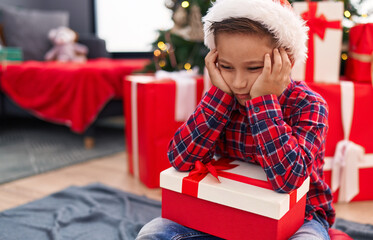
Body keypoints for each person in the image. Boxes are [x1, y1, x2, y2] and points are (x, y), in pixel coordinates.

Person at [136, 0, 335, 239]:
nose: (239, 82)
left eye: (253, 68)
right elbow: (180, 159)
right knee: (153, 234)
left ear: (287, 61)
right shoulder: (224, 96)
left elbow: (289, 180)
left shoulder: (309, 104)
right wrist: (219, 96)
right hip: (228, 210)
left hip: (301, 216)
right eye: (227, 67)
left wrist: (263, 101)